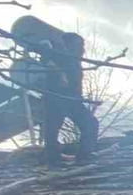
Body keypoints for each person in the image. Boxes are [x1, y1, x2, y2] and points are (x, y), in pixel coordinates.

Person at [39, 32, 98, 167]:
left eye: (82, 46)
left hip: (73, 100)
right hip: (56, 98)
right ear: (68, 45)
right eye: (79, 45)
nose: (82, 49)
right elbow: (43, 50)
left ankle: (85, 155)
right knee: (52, 129)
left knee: (90, 123)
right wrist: (58, 72)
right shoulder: (58, 55)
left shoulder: (75, 62)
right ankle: (52, 159)